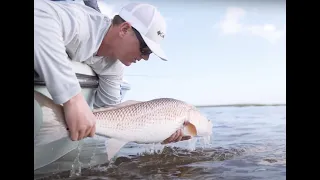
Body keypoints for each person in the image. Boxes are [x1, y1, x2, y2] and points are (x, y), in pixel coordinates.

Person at [34, 0, 191, 144]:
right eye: (145, 50)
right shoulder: (82, 23)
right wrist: (73, 99)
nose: (145, 58)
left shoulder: (114, 68)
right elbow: (38, 16)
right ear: (124, 29)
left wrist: (157, 134)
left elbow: (114, 116)